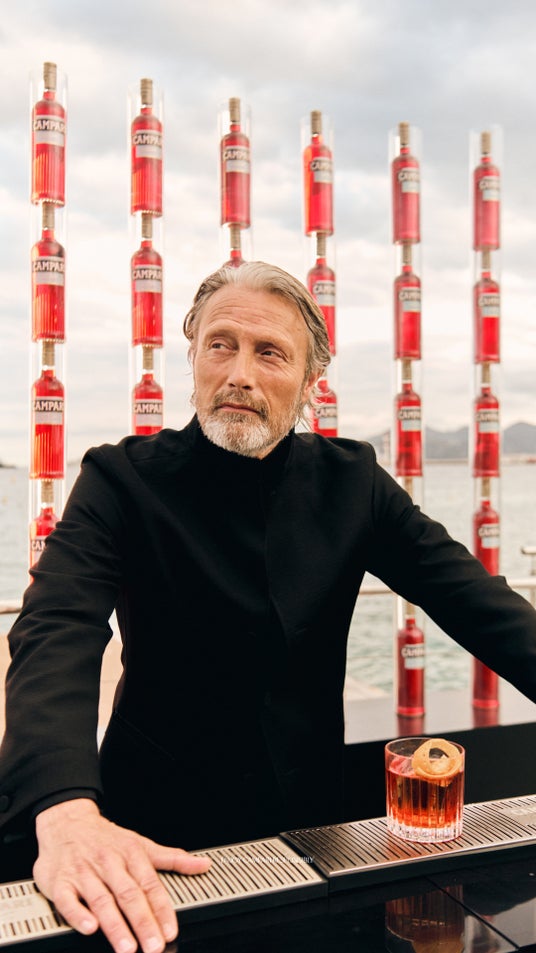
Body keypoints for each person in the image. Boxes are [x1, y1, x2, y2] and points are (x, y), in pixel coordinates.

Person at [1, 261, 536, 953]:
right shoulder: (121, 477)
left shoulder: (353, 483)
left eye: (270, 353)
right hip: (152, 826)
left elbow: (475, 601)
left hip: (314, 829)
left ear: (311, 382)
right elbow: (55, 627)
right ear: (194, 358)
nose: (239, 374)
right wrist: (63, 805)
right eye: (220, 345)